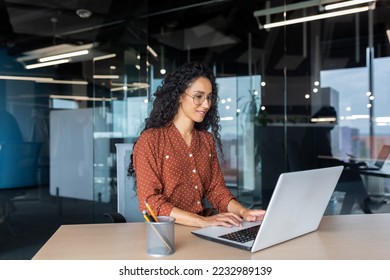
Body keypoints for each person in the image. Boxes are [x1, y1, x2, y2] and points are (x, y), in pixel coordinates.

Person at [128, 62, 265, 227]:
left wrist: (243, 212)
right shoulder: (151, 140)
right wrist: (203, 221)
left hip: (202, 228)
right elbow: (149, 202)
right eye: (198, 96)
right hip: (166, 233)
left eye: (209, 97)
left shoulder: (205, 140)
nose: (206, 104)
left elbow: (217, 190)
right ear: (179, 95)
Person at [301, 106, 372, 214]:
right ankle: (365, 208)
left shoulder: (315, 133)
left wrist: (346, 165)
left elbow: (326, 160)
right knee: (354, 181)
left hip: (320, 173)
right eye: (333, 120)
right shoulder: (317, 136)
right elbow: (325, 161)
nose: (335, 124)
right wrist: (348, 165)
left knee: (353, 181)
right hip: (320, 176)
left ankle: (357, 210)